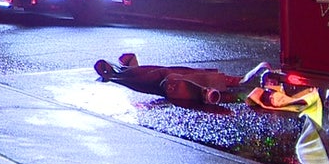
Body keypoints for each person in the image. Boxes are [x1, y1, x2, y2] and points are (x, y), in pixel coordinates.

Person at [95, 53, 270, 105]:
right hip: (162, 80)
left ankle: (235, 82)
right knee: (166, 77)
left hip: (143, 76)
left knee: (165, 76)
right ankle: (233, 83)